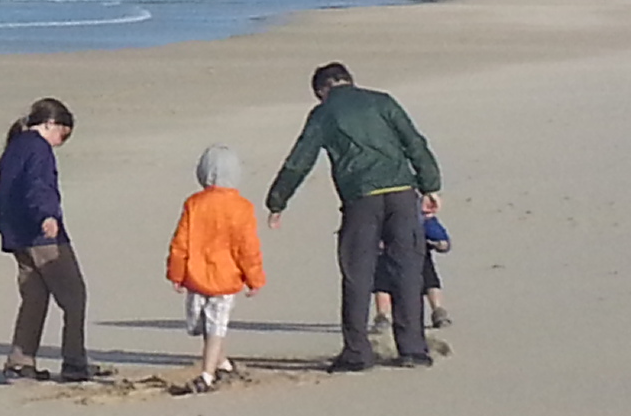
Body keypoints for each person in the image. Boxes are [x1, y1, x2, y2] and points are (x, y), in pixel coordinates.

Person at [263, 60, 442, 373]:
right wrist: (430, 184)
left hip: (361, 199)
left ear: (322, 90)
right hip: (402, 192)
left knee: (357, 273)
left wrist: (277, 200)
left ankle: (357, 352)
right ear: (349, 80)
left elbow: (300, 160)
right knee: (408, 270)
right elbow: (415, 142)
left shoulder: (325, 112)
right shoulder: (382, 101)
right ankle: (414, 349)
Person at [0, 96, 105, 381]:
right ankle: (75, 363)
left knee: (35, 298)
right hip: (42, 237)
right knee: (74, 296)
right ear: (51, 124)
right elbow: (39, 186)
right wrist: (47, 216)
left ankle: (20, 362)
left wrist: (4, 227)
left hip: (17, 238)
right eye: (63, 135)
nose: (60, 142)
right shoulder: (39, 149)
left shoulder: (14, 147)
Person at [164, 144, 266, 393]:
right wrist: (176, 273)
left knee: (213, 325)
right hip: (209, 277)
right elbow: (247, 248)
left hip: (212, 278)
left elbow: (245, 247)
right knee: (202, 326)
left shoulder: (216, 205)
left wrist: (254, 278)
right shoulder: (205, 204)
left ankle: (207, 375)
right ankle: (222, 363)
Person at [371, 204, 452, 346]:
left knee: (429, 282)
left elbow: (439, 238)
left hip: (414, 249)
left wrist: (440, 241)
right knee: (383, 285)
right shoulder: (415, 212)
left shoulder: (421, 215)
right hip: (398, 249)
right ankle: (383, 315)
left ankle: (438, 310)